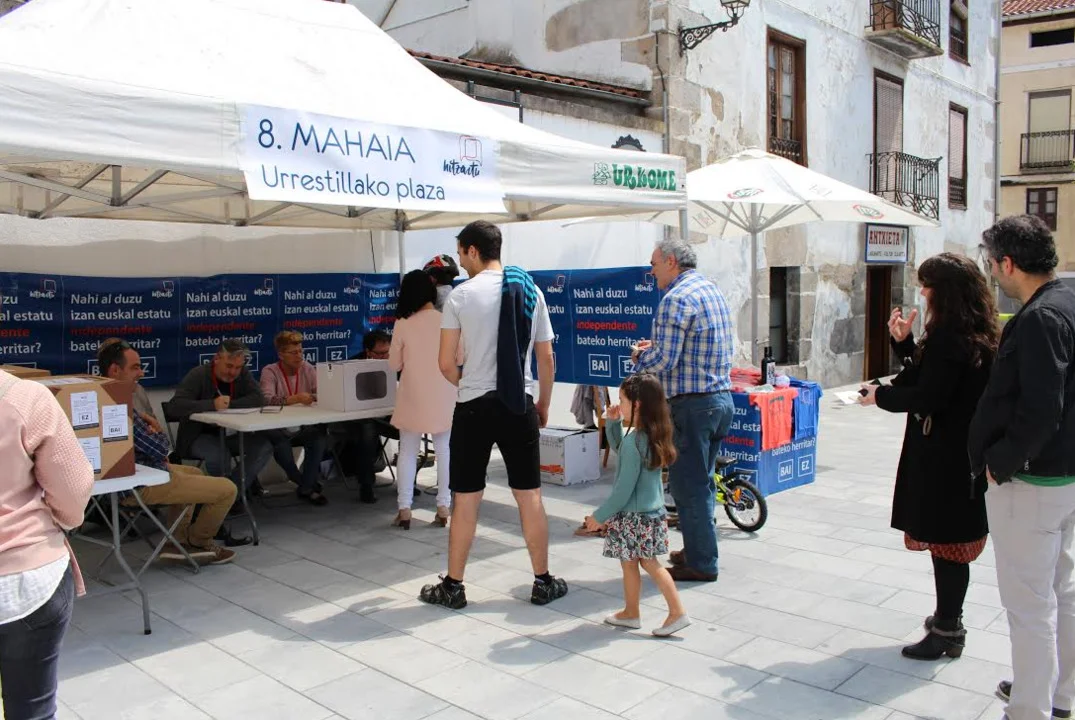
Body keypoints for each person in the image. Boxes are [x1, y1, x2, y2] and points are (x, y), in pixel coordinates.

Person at [419, 219, 568, 609]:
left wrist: (470, 383)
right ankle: (543, 581)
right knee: (529, 495)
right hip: (519, 402)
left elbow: (445, 363)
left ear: (472, 250)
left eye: (461, 253)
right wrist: (543, 403)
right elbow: (546, 357)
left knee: (466, 497)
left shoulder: (461, 296)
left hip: (473, 407)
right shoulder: (530, 290)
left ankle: (453, 586)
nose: (461, 262)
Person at [859, 253, 998, 661]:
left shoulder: (949, 338)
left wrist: (880, 396)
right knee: (947, 543)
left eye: (927, 285)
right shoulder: (971, 332)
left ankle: (948, 630)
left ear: (945, 291)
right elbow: (930, 377)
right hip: (958, 455)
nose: (922, 292)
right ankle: (947, 617)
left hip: (946, 460)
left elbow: (928, 395)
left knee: (947, 544)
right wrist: (905, 343)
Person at [969, 215, 1075, 720]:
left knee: (1029, 605)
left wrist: (1001, 461)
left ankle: (1030, 709)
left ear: (1008, 263)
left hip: (1033, 483)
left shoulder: (1040, 318)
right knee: (1061, 591)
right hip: (1063, 477)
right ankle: (1058, 694)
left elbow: (1041, 409)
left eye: (992, 264)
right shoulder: (1067, 301)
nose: (993, 274)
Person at [633, 239, 734, 583]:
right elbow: (695, 345)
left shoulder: (675, 298)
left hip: (693, 405)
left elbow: (664, 360)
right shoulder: (709, 289)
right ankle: (697, 549)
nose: (651, 271)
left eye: (654, 264)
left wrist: (640, 357)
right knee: (700, 483)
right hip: (719, 400)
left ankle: (702, 563)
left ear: (671, 262)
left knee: (689, 488)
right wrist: (658, 348)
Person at [0, 365, 94, 720]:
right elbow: (72, 490)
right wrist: (63, 520)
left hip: (26, 579)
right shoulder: (25, 398)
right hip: (27, 576)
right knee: (32, 709)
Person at [98, 340, 241, 562]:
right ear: (115, 370)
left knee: (195, 473)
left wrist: (153, 437)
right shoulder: (116, 406)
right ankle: (199, 543)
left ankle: (177, 542)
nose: (141, 373)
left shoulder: (101, 396)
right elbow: (161, 448)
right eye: (135, 367)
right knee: (228, 489)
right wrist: (156, 429)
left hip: (133, 473)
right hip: (136, 483)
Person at [584, 373, 690, 637]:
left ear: (638, 404)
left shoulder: (635, 442)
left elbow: (623, 490)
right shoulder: (649, 436)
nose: (618, 404)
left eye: (622, 400)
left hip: (634, 516)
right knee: (631, 562)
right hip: (649, 513)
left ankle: (677, 612)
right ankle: (631, 612)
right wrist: (613, 423)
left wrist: (599, 516)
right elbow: (622, 449)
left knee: (648, 563)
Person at [388, 270, 455, 529]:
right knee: (444, 449)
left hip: (412, 393)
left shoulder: (403, 323)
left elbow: (394, 364)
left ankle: (405, 509)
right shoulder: (446, 320)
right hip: (444, 391)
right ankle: (443, 506)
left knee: (407, 450)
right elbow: (460, 357)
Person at [164, 339, 272, 497]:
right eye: (229, 366)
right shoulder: (199, 374)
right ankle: (227, 496)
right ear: (217, 359)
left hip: (229, 435)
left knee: (263, 446)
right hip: (196, 437)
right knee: (219, 454)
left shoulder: (242, 374)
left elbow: (259, 399)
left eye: (238, 367)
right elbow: (175, 407)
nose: (233, 372)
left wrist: (229, 405)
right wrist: (212, 404)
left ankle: (231, 494)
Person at [260, 331, 329, 506]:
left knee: (319, 438)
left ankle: (306, 487)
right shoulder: (270, 371)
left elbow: (323, 393)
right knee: (279, 443)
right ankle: (305, 483)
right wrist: (295, 399)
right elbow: (266, 399)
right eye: (293, 352)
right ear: (281, 355)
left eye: (300, 351)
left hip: (303, 425)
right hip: (279, 427)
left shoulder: (308, 368)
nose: (299, 356)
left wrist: (313, 396)